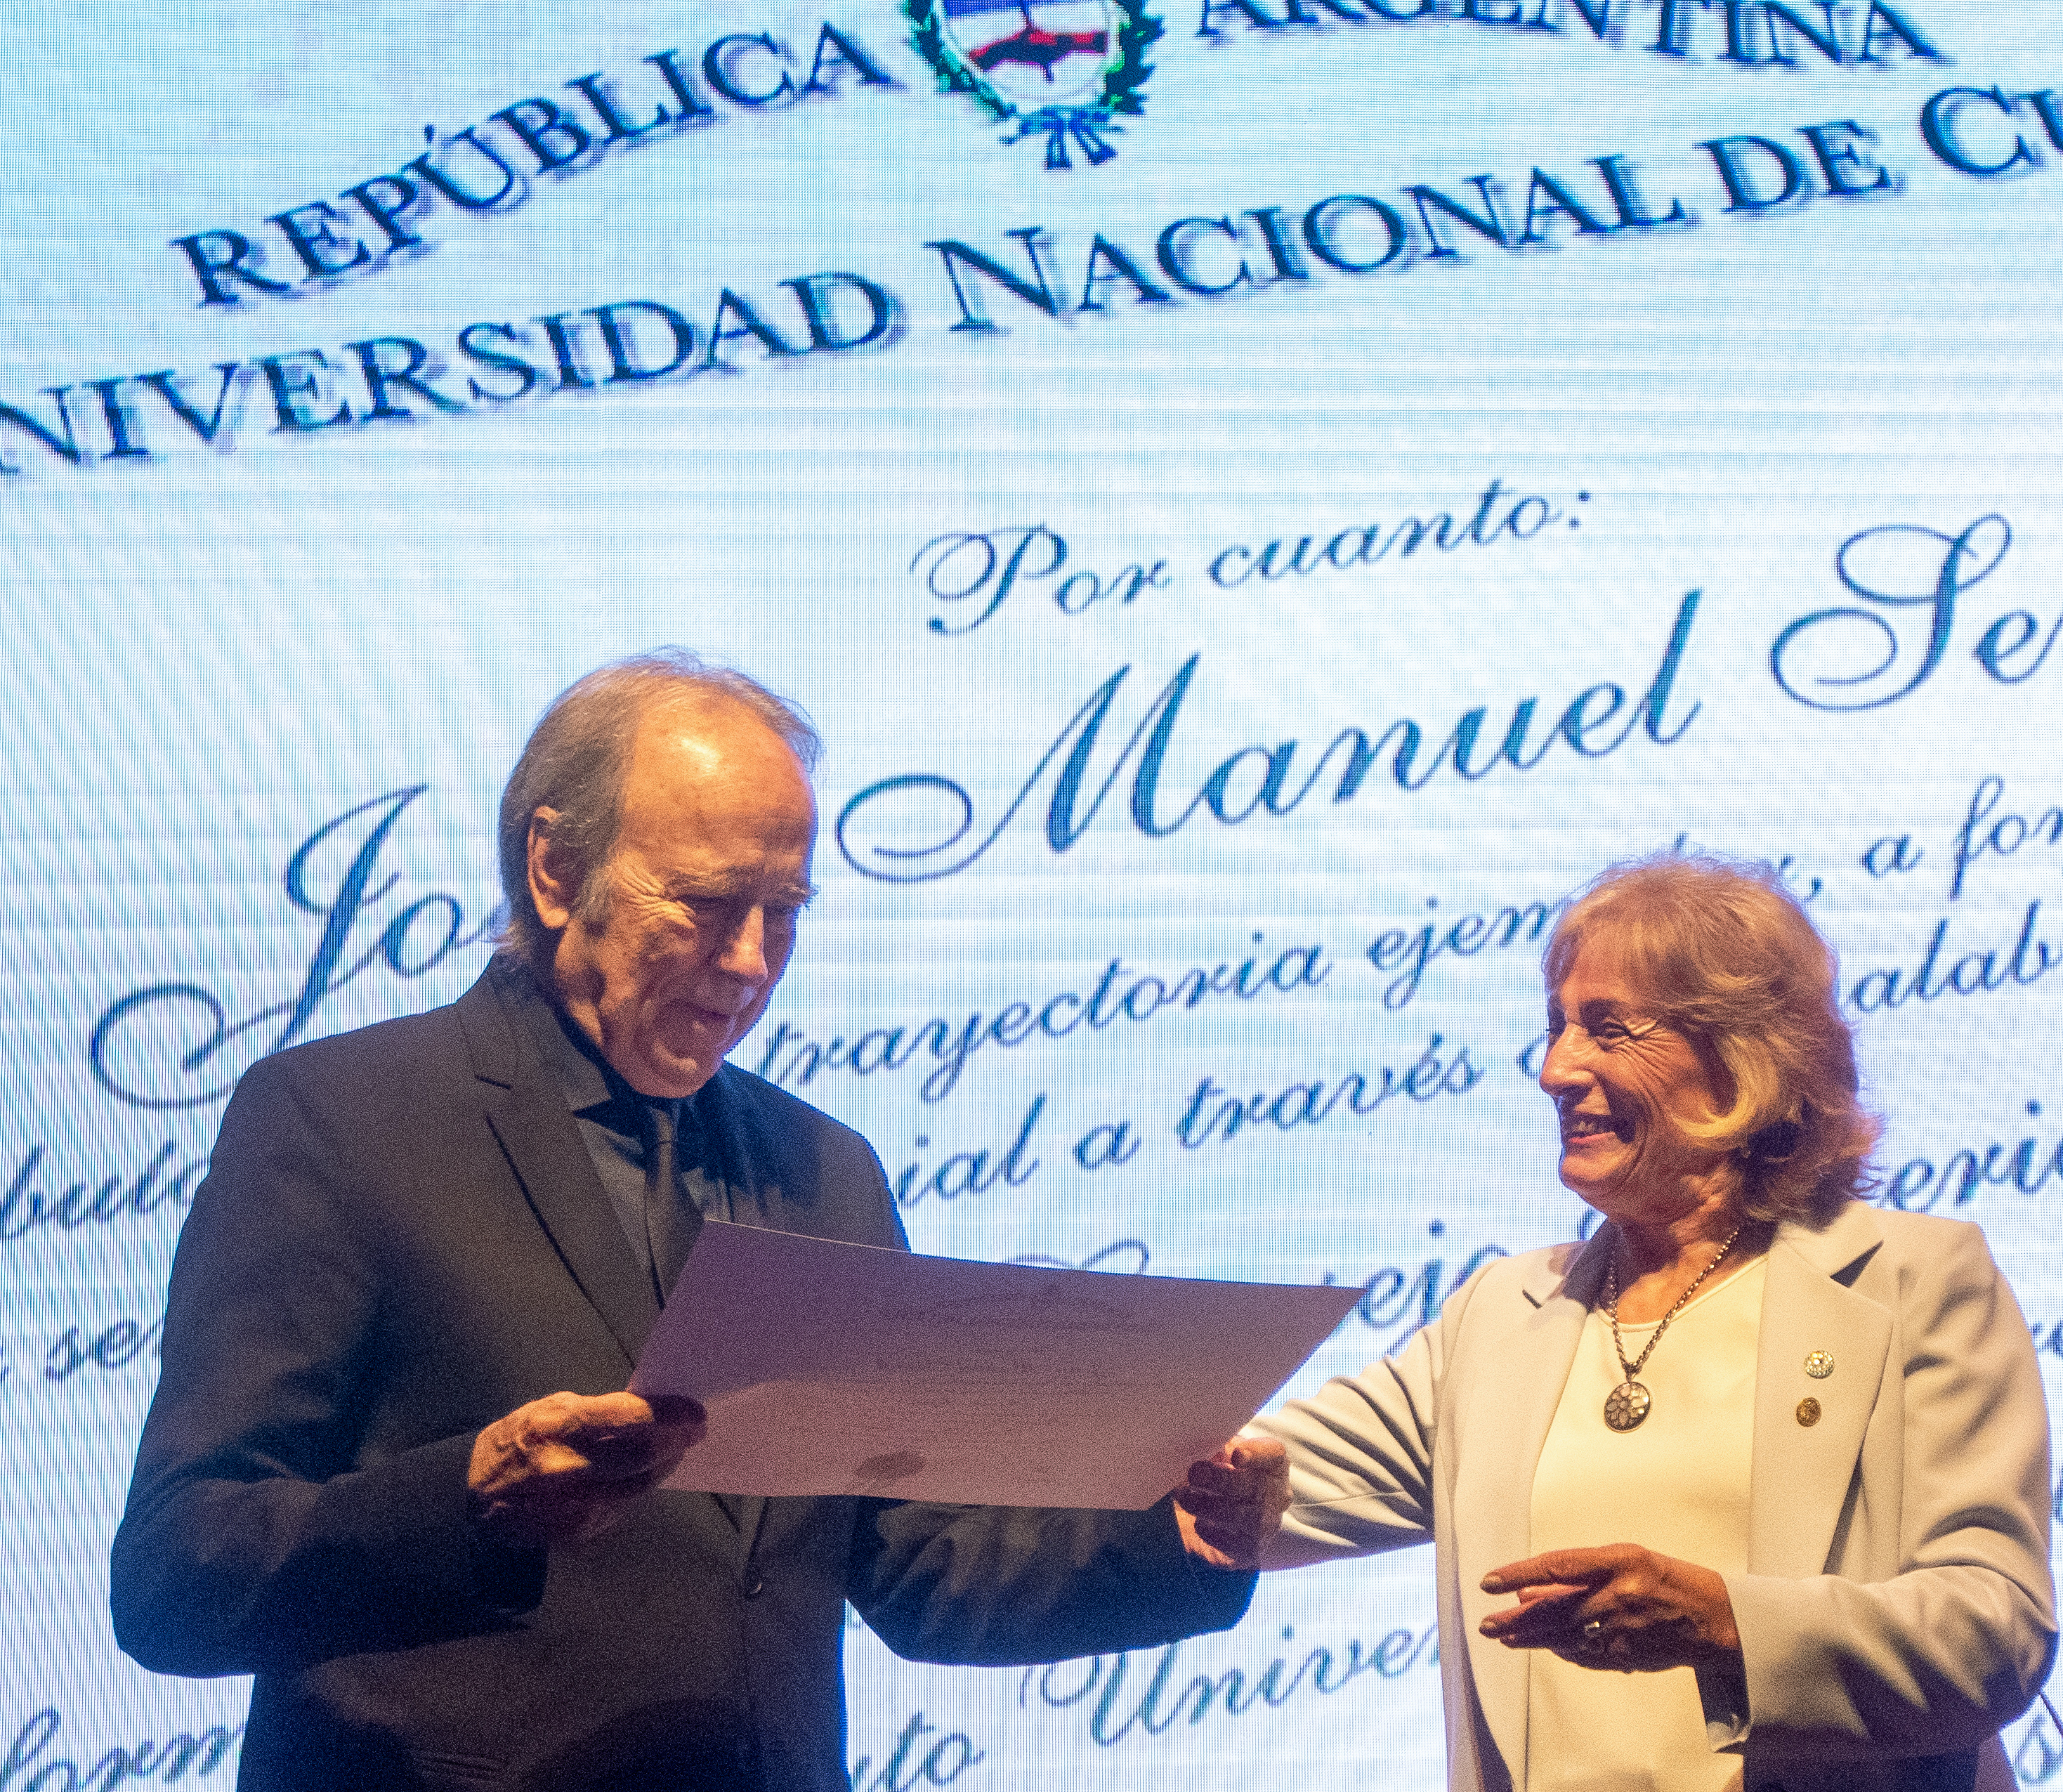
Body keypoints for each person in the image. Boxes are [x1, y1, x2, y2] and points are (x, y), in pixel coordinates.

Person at [113, 651, 1263, 1792]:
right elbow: (178, 1574)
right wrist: (468, 1499)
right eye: (708, 907)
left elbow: (915, 1564)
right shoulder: (342, 1119)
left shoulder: (828, 1172)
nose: (753, 963)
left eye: (786, 911)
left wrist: (1179, 1537)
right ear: (558, 869)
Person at [1177, 853, 2055, 1792]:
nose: (1557, 1070)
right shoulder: (1504, 1317)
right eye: (1555, 1029)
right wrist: (1240, 1487)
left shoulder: (1910, 1283)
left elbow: (1992, 1631)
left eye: (1608, 1030)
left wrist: (1725, 1623)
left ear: (1741, 1058)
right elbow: (1277, 1478)